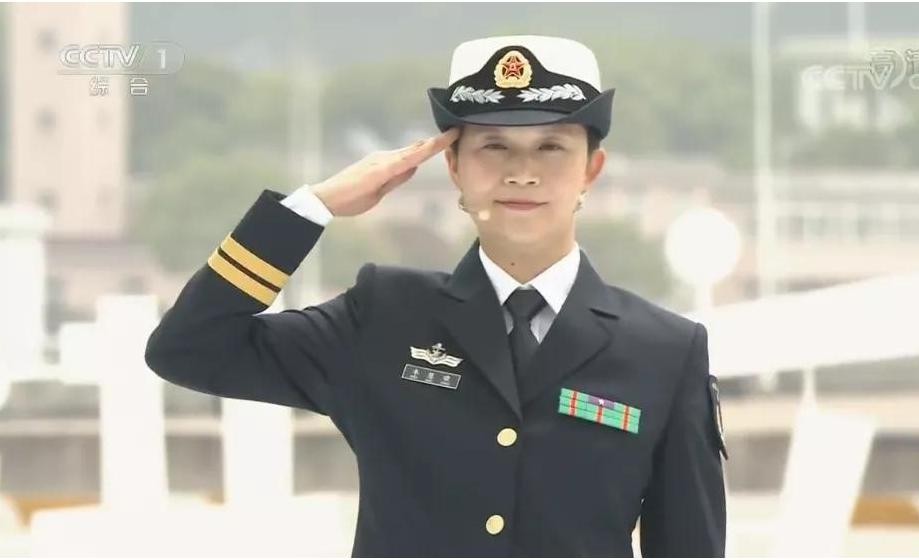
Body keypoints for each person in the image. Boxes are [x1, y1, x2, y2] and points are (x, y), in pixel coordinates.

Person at [145, 35, 727, 557]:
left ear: (592, 170)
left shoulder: (663, 351)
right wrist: (312, 208)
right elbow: (188, 349)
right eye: (493, 146)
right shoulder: (383, 316)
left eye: (551, 147)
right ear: (452, 166)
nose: (522, 173)